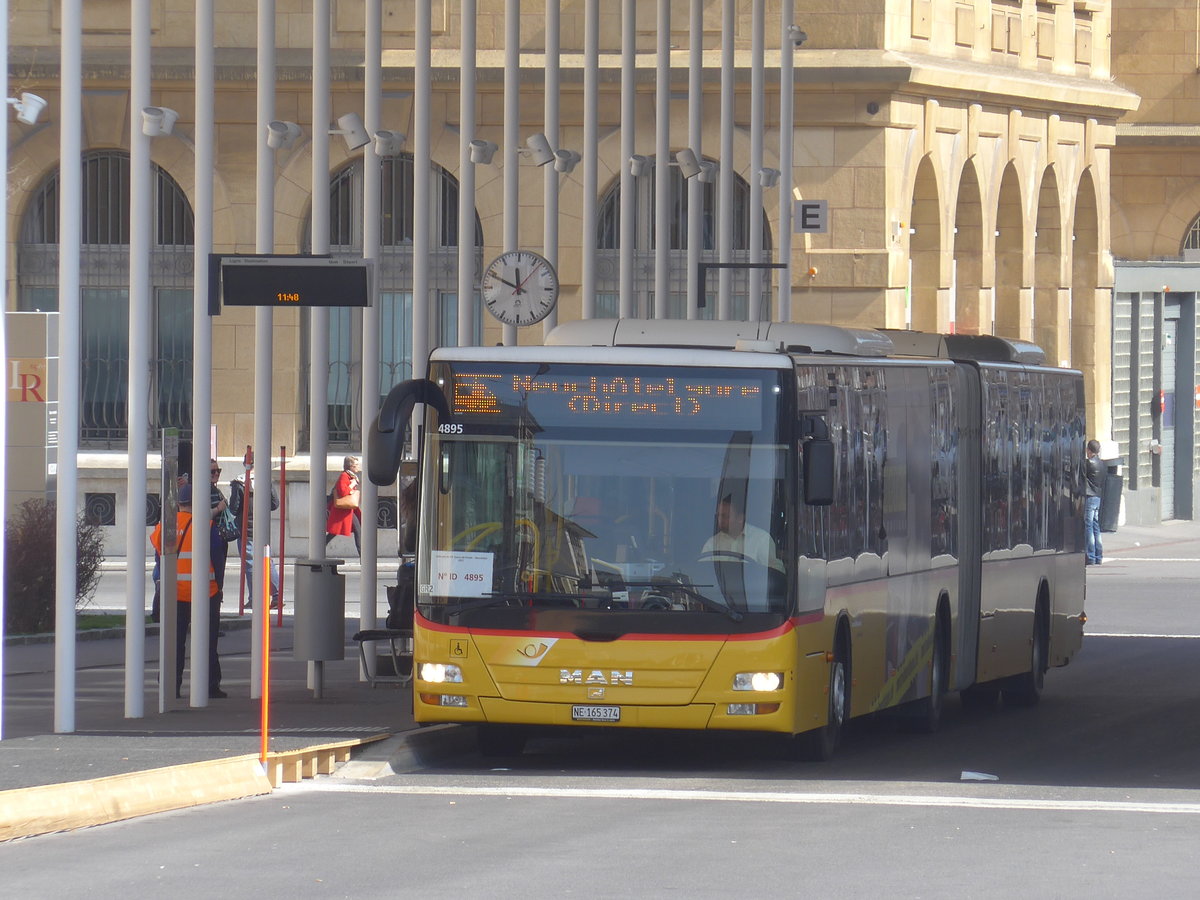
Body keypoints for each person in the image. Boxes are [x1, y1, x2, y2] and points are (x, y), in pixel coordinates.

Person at [149, 484, 225, 699]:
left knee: (174, 643)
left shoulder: (165, 526)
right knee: (207, 642)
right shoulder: (206, 526)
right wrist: (219, 586)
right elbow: (217, 559)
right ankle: (209, 685)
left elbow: (160, 559)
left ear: (179, 503)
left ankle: (170, 686)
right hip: (205, 593)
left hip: (174, 594)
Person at [228, 467, 281, 608]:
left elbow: (234, 509)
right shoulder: (265, 479)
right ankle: (277, 596)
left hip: (247, 529)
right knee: (268, 562)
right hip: (262, 529)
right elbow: (274, 504)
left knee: (250, 565)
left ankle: (254, 598)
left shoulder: (239, 483)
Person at [700, 495, 784, 573]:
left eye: (725, 516)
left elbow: (777, 572)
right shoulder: (712, 543)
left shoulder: (762, 540)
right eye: (719, 515)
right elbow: (702, 572)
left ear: (740, 518)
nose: (720, 520)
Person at [325, 455, 362, 554]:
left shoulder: (350, 476)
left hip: (347, 509)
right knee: (356, 530)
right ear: (351, 466)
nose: (358, 467)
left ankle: (362, 555)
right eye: (356, 465)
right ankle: (363, 556)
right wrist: (352, 485)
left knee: (336, 531)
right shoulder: (344, 476)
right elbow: (343, 492)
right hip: (343, 510)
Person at [1084, 438, 1105, 566]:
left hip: (1090, 496)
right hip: (1098, 496)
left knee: (1089, 526)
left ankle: (1091, 555)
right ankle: (1099, 555)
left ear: (1089, 450)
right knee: (1096, 526)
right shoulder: (1102, 464)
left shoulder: (1089, 463)